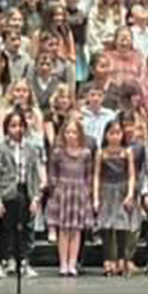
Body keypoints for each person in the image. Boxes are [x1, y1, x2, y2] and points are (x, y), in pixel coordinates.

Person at [0, 109, 45, 280]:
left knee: (25, 228)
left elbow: (34, 175)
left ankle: (24, 261)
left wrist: (35, 198)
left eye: (20, 125)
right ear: (6, 128)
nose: (17, 129)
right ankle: (3, 261)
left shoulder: (31, 149)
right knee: (6, 229)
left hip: (25, 191)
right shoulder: (1, 149)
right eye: (13, 126)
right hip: (7, 193)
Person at [47, 118, 94, 277]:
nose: (71, 135)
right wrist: (55, 189)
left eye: (74, 132)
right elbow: (53, 173)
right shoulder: (58, 153)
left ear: (79, 134)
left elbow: (88, 174)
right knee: (64, 230)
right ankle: (63, 263)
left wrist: (86, 192)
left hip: (79, 192)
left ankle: (73, 263)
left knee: (76, 230)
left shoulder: (85, 153)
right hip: (63, 191)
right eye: (68, 132)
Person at [93, 118, 138, 277]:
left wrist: (131, 193)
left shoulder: (127, 152)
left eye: (118, 133)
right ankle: (108, 259)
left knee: (122, 225)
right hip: (106, 189)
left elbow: (132, 175)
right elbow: (97, 176)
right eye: (111, 133)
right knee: (106, 226)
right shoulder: (101, 153)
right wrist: (96, 198)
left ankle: (121, 259)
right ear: (106, 135)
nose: (114, 136)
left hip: (122, 189)